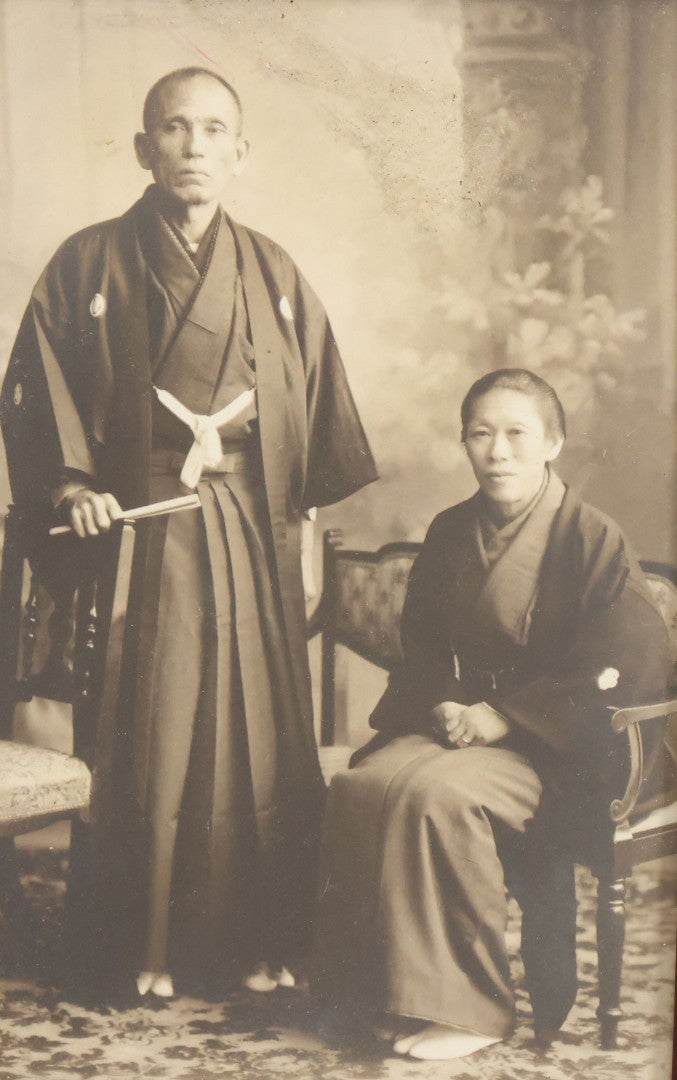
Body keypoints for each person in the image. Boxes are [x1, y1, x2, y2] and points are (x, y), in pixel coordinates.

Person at [0, 67, 376, 1001]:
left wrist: (298, 525)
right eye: (174, 128)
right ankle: (145, 945)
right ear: (143, 149)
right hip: (146, 524)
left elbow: (314, 414)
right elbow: (40, 393)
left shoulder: (275, 271)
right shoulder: (89, 263)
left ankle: (262, 942)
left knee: (260, 730)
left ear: (241, 153)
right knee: (157, 725)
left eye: (214, 130)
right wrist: (75, 483)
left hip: (248, 520)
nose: (195, 146)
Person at [314, 368, 670, 1060]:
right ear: (464, 444)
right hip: (473, 723)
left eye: (515, 434)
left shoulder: (590, 539)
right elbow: (419, 647)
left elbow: (627, 659)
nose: (497, 451)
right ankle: (390, 994)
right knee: (364, 786)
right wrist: (445, 701)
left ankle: (474, 1007)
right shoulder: (452, 531)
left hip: (564, 744)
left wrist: (505, 716)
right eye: (480, 435)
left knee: (434, 795)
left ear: (552, 443)